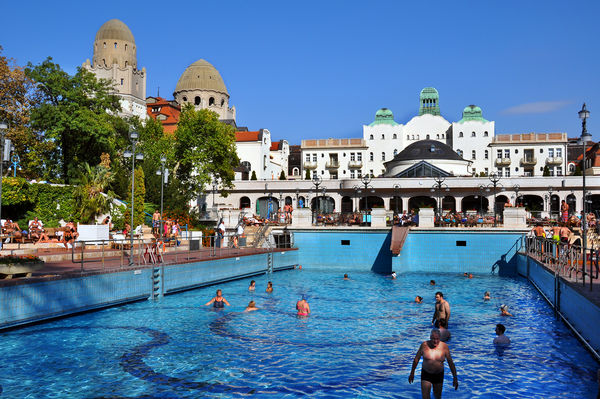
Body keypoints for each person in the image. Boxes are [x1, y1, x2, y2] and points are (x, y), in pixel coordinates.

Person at [408, 329, 458, 398]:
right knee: (425, 397)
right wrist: (412, 373)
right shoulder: (424, 345)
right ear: (430, 338)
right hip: (426, 374)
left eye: (437, 339)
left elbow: (450, 363)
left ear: (440, 338)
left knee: (437, 397)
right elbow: (416, 359)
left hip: (438, 375)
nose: (435, 341)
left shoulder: (444, 347)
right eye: (433, 339)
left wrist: (455, 377)